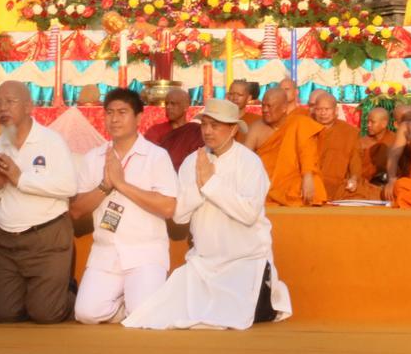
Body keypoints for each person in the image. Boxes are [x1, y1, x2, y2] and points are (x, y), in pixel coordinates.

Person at [123, 98, 290, 330]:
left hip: (244, 259)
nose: (208, 131)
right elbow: (180, 216)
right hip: (203, 263)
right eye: (205, 125)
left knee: (238, 314)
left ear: (233, 130)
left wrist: (211, 183)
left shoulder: (250, 163)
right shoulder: (193, 161)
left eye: (215, 125)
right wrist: (200, 186)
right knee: (164, 313)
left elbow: (249, 214)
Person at [70, 88, 177, 325]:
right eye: (109, 113)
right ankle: (126, 309)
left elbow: (168, 207)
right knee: (86, 314)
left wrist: (121, 184)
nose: (114, 119)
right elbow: (76, 210)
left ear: (139, 118)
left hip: (145, 252)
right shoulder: (93, 157)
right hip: (105, 252)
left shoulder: (155, 156)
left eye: (122, 112)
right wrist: (104, 186)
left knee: (143, 317)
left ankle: (141, 304)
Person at [0, 80, 76, 324]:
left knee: (45, 315)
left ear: (29, 106)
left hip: (47, 239)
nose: (2, 108)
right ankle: (43, 294)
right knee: (4, 314)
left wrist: (20, 178)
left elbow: (69, 187)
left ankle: (70, 294)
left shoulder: (51, 141)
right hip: (9, 244)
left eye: (10, 102)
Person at [245, 88, 325, 206]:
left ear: (284, 108)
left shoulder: (299, 123)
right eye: (263, 105)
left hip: (291, 180)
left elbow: (307, 154)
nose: (265, 110)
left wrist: (307, 177)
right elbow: (243, 158)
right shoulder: (256, 128)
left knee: (314, 183)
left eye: (270, 106)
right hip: (266, 181)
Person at [309, 90, 363, 199]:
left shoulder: (349, 132)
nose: (323, 113)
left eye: (327, 109)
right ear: (314, 111)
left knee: (365, 192)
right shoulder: (307, 129)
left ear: (336, 110)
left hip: (338, 185)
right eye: (319, 109)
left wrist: (354, 178)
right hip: (313, 182)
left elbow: (355, 159)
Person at [360, 107, 395, 198]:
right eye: (368, 122)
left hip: (389, 184)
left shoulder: (394, 140)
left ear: (384, 124)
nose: (368, 125)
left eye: (372, 122)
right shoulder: (362, 142)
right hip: (366, 184)